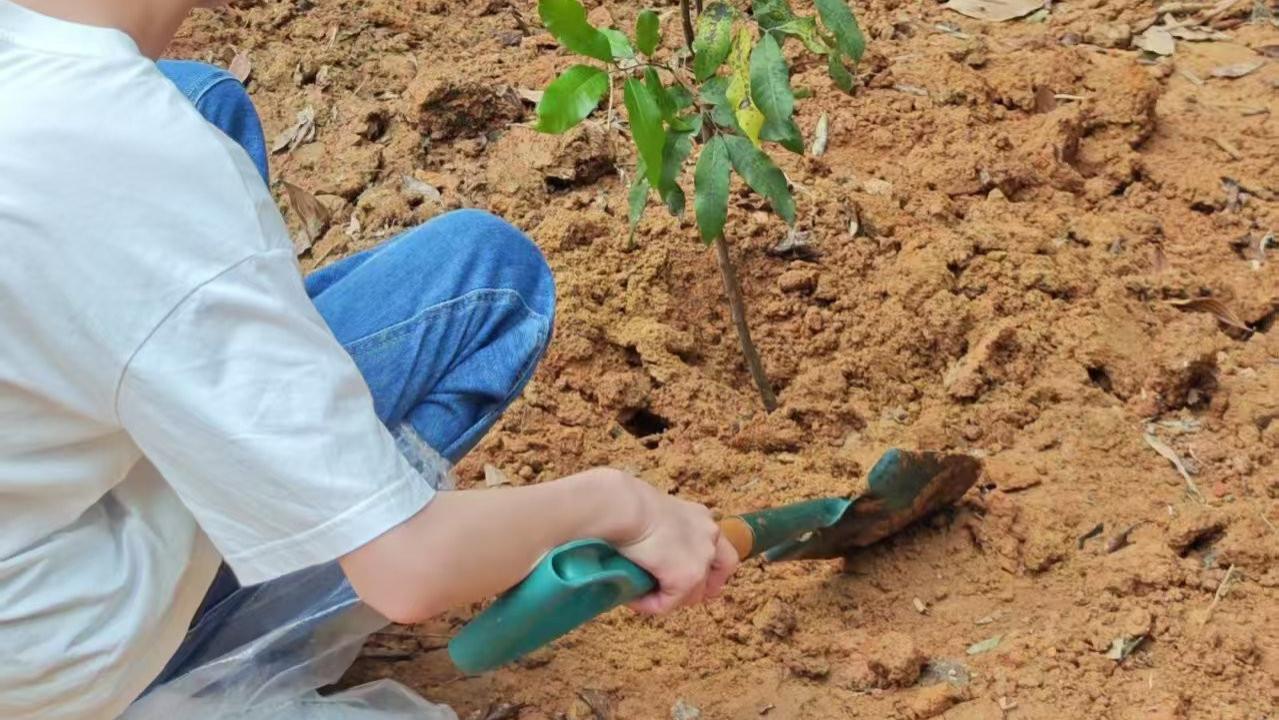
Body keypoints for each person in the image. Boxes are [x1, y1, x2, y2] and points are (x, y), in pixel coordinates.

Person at [0, 1, 740, 718]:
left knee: (204, 98)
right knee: (487, 283)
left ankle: (265, 453)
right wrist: (624, 507)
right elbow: (407, 572)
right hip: (40, 662)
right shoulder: (137, 159)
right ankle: (219, 622)